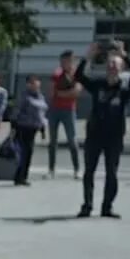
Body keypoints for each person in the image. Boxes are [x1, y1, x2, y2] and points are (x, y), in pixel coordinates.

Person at [72, 42, 130, 218]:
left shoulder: (124, 89)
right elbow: (78, 76)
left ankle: (107, 207)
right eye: (110, 65)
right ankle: (87, 205)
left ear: (121, 69)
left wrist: (124, 55)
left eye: (115, 65)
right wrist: (88, 57)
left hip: (114, 136)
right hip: (95, 134)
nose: (111, 68)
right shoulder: (98, 85)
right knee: (89, 171)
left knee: (111, 172)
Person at [47, 50, 82, 178]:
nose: (63, 64)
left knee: (72, 140)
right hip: (54, 110)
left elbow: (77, 92)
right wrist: (66, 92)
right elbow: (51, 93)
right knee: (52, 141)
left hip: (69, 110)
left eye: (66, 61)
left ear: (71, 61)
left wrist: (61, 93)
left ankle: (77, 169)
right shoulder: (56, 74)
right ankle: (51, 170)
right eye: (61, 61)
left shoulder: (76, 74)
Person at [10, 74, 48, 187]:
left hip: (34, 128)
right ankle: (19, 177)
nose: (36, 84)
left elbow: (41, 114)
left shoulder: (40, 96)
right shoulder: (24, 96)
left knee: (29, 153)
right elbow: (17, 111)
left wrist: (42, 129)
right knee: (23, 153)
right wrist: (13, 126)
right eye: (33, 82)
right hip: (23, 127)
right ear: (28, 84)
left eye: (37, 81)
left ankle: (23, 176)